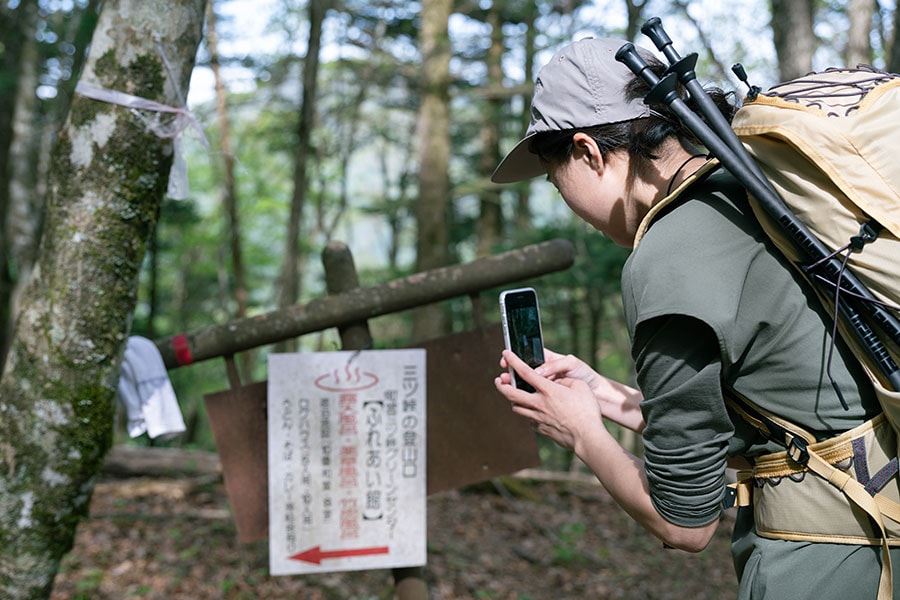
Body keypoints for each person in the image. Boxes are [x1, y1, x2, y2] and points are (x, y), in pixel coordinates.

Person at [491, 37, 898, 599]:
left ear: (588, 152)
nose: (570, 207)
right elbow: (789, 401)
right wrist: (605, 397)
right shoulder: (763, 191)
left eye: (556, 179)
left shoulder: (666, 256)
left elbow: (685, 524)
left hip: (823, 563)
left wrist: (580, 430)